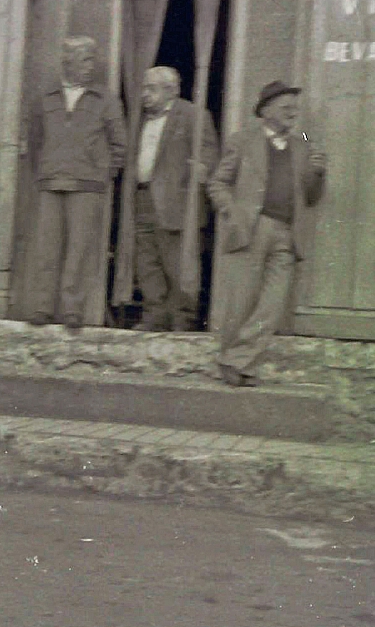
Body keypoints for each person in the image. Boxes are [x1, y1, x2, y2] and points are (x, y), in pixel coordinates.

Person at [207, 80, 327, 387]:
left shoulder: (302, 146)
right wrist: (233, 214)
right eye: (285, 106)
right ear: (266, 111)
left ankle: (236, 360)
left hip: (286, 233)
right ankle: (235, 364)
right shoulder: (243, 141)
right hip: (253, 228)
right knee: (242, 302)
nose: (292, 112)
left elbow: (311, 197)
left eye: (294, 107)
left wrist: (317, 174)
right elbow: (218, 183)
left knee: (272, 305)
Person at [26, 36, 127, 330]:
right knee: (46, 249)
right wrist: (43, 170)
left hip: (87, 186)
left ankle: (72, 311)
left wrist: (102, 174)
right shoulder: (46, 98)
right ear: (67, 62)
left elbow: (119, 144)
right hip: (51, 183)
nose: (90, 67)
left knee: (78, 251)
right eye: (85, 60)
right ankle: (42, 308)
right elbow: (35, 141)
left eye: (92, 60)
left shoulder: (105, 99)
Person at [132, 66, 219, 332]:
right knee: (148, 262)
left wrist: (197, 175)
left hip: (177, 203)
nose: (145, 95)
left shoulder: (193, 115)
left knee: (179, 264)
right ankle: (154, 316)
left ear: (171, 90)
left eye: (151, 89)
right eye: (144, 88)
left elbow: (208, 157)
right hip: (143, 197)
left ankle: (183, 318)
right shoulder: (140, 119)